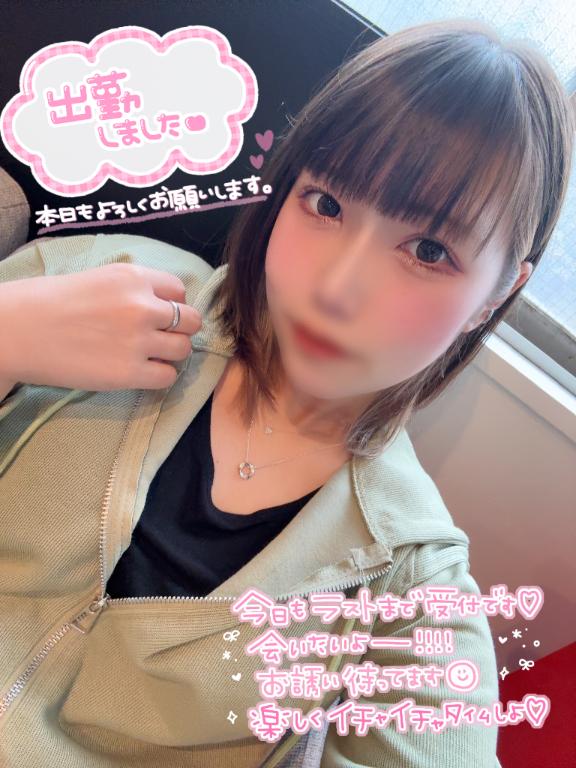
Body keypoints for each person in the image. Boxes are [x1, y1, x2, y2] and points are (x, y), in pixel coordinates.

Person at [0, 18, 573, 768]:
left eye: (429, 250)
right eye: (326, 204)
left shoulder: (411, 585)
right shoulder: (106, 281)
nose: (336, 289)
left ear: (497, 294)